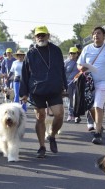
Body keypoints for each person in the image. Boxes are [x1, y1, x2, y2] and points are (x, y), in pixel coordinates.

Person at [20, 26, 67, 158]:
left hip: (54, 88)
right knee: (40, 117)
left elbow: (62, 69)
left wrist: (64, 86)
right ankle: (42, 146)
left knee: (59, 114)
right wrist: (24, 93)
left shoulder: (56, 50)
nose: (40, 37)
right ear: (35, 37)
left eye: (43, 35)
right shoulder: (30, 53)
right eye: (38, 35)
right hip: (37, 89)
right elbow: (25, 74)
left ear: (48, 36)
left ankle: (52, 135)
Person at [77, 26, 105, 145]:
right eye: (94, 33)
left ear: (103, 36)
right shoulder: (87, 49)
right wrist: (81, 68)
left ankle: (97, 133)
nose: (96, 35)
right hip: (88, 82)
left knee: (98, 106)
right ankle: (99, 125)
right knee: (91, 107)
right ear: (92, 36)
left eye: (99, 33)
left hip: (103, 82)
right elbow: (79, 65)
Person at [64, 47, 80, 122]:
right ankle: (70, 114)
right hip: (68, 83)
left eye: (74, 53)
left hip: (77, 83)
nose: (72, 55)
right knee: (69, 99)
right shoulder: (66, 62)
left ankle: (76, 115)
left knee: (76, 99)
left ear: (77, 54)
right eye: (71, 53)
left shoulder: (80, 62)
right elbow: (62, 73)